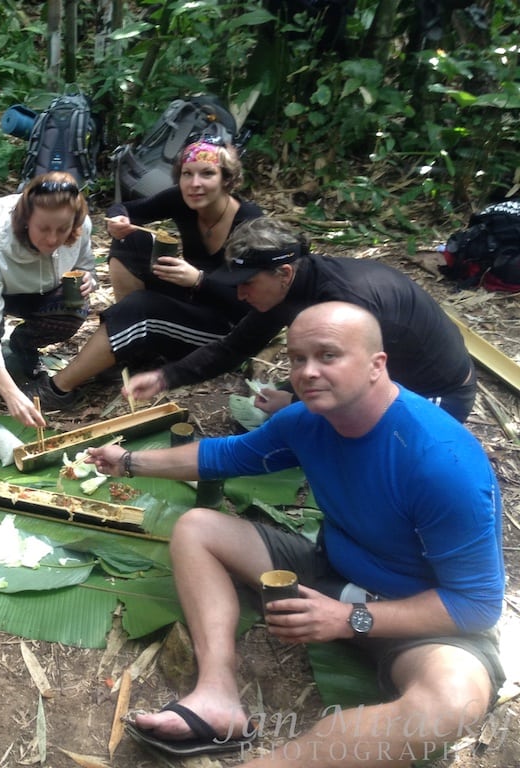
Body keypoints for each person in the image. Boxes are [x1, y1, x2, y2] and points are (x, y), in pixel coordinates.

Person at [87, 302, 504, 766]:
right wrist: (126, 461)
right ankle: (217, 693)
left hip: (420, 615)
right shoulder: (306, 421)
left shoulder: (441, 463)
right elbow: (223, 456)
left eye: (328, 356)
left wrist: (350, 618)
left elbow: (477, 605)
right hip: (332, 570)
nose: (307, 372)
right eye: (296, 358)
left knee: (450, 705)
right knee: (197, 527)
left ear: (376, 365)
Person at [126, 217, 477, 421]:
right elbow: (234, 347)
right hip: (372, 375)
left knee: (338, 433)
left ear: (284, 272)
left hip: (436, 393)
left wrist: (295, 402)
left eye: (247, 283)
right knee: (274, 415)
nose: (240, 294)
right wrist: (165, 377)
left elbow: (360, 389)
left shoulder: (345, 302)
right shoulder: (290, 286)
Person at [24, 138, 262, 409]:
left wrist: (199, 280)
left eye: (207, 174)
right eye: (187, 174)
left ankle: (56, 390)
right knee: (130, 241)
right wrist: (119, 222)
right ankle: (133, 350)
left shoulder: (249, 221)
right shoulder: (182, 200)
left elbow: (253, 306)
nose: (195, 183)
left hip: (225, 328)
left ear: (227, 180)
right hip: (193, 299)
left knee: (141, 308)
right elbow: (124, 208)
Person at [0, 171, 96, 428]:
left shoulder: (82, 226)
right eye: (43, 228)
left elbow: (86, 265)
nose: (52, 239)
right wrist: (9, 392)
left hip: (41, 291)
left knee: (75, 307)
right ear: (26, 220)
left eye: (62, 230)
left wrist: (88, 278)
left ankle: (24, 343)